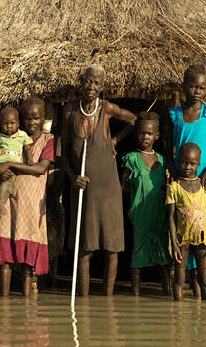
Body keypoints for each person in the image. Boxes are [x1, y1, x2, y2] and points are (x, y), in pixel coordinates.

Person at [61, 64, 136, 296]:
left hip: (108, 187)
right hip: (82, 188)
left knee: (112, 247)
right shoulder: (69, 111)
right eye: (88, 81)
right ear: (81, 82)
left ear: (102, 87)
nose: (91, 87)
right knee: (85, 248)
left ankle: (108, 299)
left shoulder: (107, 109)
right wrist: (73, 177)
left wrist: (114, 140)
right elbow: (63, 153)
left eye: (96, 83)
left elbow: (134, 120)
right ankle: (83, 301)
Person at [166, 64, 206, 297]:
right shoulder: (175, 115)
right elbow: (168, 152)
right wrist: (175, 179)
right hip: (185, 187)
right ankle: (197, 310)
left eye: (202, 88)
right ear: (184, 87)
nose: (197, 91)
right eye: (193, 86)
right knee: (189, 235)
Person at [0, 97, 55, 297]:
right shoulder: (12, 138)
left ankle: (26, 302)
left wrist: (10, 166)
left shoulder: (48, 140)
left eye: (35, 118)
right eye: (27, 118)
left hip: (32, 204)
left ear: (43, 118)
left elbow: (40, 168)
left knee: (28, 262)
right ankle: (4, 302)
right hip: (9, 199)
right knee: (5, 259)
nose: (31, 122)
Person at [119, 111, 172, 296]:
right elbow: (122, 187)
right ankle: (136, 297)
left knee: (165, 260)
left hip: (160, 216)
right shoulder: (131, 159)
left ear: (156, 136)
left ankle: (167, 293)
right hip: (140, 216)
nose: (145, 137)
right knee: (137, 260)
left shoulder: (163, 160)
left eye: (149, 134)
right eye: (141, 133)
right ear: (136, 134)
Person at [166, 143, 206, 302]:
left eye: (192, 163)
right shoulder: (174, 187)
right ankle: (178, 315)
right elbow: (171, 217)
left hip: (202, 239)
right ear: (178, 161)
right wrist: (174, 243)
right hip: (182, 240)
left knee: (204, 279)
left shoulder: (205, 186)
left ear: (198, 164)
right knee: (179, 278)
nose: (187, 166)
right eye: (183, 162)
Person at [0, 106, 33, 218]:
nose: (9, 126)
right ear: (0, 124)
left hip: (12, 163)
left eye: (12, 123)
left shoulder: (22, 135)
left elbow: (27, 147)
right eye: (5, 123)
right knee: (6, 181)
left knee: (6, 182)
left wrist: (30, 159)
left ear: (18, 123)